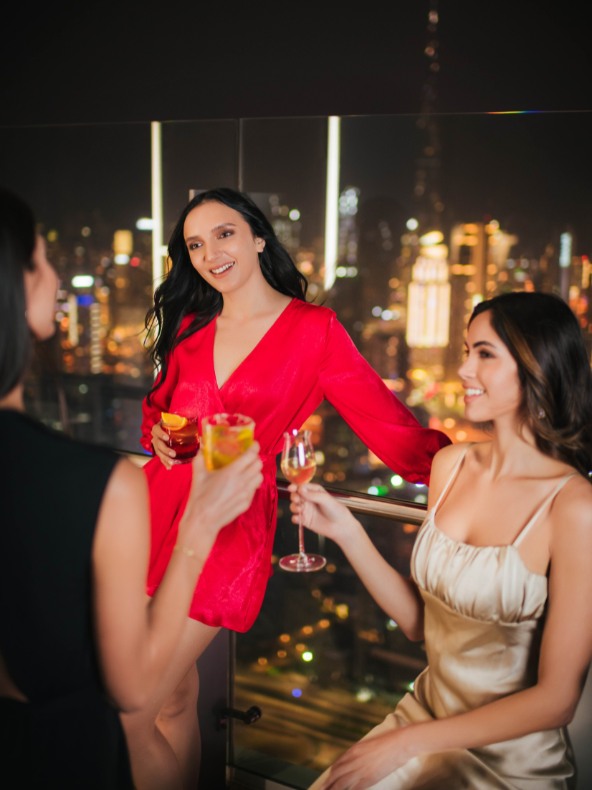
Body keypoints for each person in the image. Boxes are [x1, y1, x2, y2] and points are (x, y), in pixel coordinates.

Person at [128, 187, 451, 787]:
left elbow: (391, 428)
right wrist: (163, 441)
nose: (209, 253)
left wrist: (480, 471)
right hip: (158, 510)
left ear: (257, 237)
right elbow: (158, 415)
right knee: (173, 696)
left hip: (231, 528)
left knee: (137, 701)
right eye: (195, 244)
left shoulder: (314, 330)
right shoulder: (192, 328)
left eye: (224, 234)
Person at [0, 187, 263, 788]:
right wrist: (199, 524)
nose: (57, 272)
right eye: (43, 259)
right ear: (20, 285)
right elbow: (132, 685)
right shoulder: (98, 483)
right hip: (57, 759)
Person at [289, 290, 592, 789]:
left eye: (485, 354)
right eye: (467, 352)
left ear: (537, 364)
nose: (465, 371)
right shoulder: (449, 467)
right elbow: (419, 625)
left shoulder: (572, 505)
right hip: (420, 719)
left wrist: (406, 743)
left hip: (508, 763)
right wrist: (346, 529)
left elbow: (557, 698)